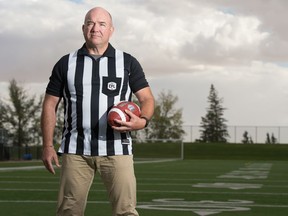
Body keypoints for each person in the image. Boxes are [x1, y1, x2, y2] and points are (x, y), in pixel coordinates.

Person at [41, 6, 154, 216]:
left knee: (126, 212)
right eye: (91, 23)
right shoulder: (66, 63)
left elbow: (147, 98)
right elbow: (49, 104)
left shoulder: (127, 62)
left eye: (102, 24)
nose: (96, 28)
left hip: (117, 148)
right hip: (76, 149)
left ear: (111, 29)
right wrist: (47, 145)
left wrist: (143, 121)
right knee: (68, 211)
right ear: (83, 28)